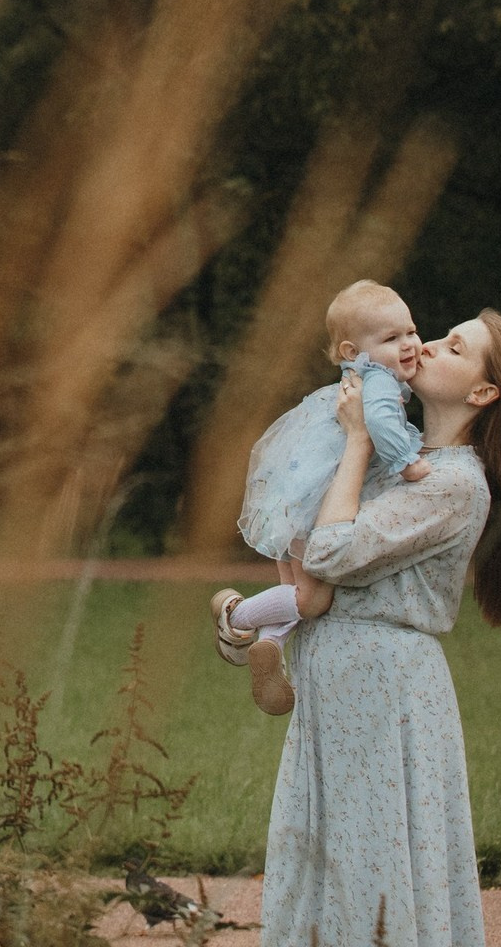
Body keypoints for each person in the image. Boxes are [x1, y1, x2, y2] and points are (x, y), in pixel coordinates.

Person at [225, 308, 501, 947]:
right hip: (345, 673)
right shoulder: (401, 456)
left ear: (483, 392)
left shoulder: (454, 483)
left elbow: (328, 555)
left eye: (454, 347)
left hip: (380, 682)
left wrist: (354, 442)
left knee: (368, 855)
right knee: (323, 847)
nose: (426, 346)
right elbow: (309, 539)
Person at [211, 280, 431, 714]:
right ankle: (235, 617)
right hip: (316, 508)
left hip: (293, 499)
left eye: (410, 331)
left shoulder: (355, 379)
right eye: (391, 338)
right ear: (353, 351)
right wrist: (409, 463)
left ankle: (270, 644)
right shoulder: (380, 384)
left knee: (293, 590)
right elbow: (384, 428)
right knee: (313, 600)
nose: (409, 344)